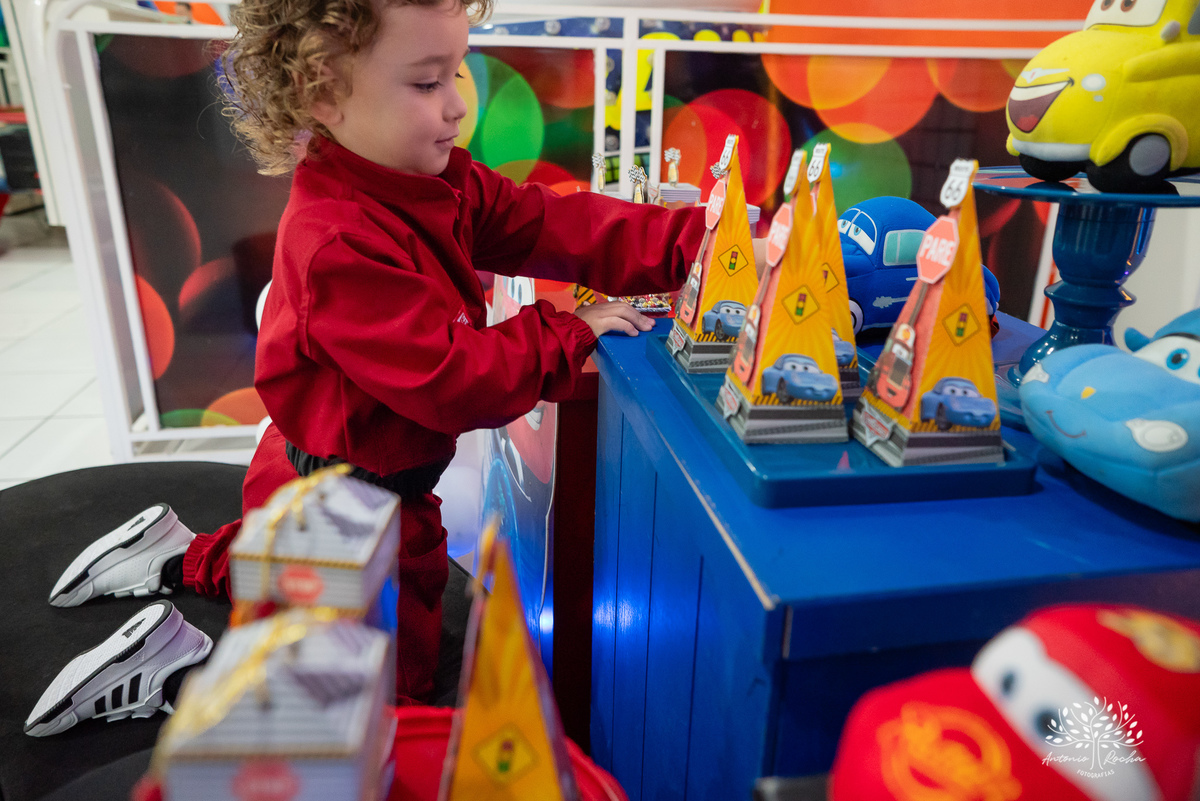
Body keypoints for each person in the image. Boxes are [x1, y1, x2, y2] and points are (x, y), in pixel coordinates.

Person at [49, 0, 709, 705]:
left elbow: (542, 219)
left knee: (292, 592)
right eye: (427, 84)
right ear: (322, 93)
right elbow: (455, 377)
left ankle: (174, 556)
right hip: (349, 515)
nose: (459, 105)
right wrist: (568, 329)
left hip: (342, 484)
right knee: (371, 701)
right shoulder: (339, 243)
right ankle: (170, 670)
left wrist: (696, 244)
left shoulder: (429, 179)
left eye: (456, 72)